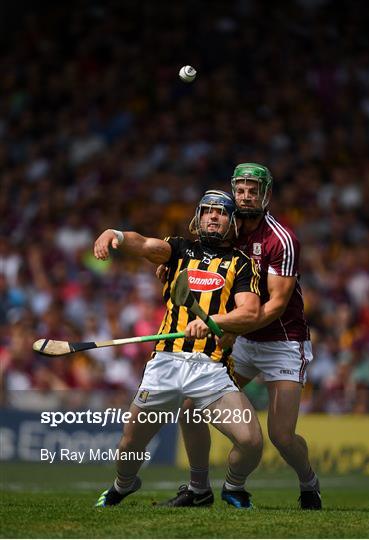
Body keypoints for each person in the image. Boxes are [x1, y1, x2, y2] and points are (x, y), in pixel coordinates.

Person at [161, 164, 321, 510]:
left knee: (281, 435)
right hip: (244, 342)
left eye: (253, 190)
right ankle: (198, 488)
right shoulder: (229, 230)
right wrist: (169, 267)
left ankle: (308, 481)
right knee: (190, 408)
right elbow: (195, 258)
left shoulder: (281, 239)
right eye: (241, 189)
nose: (246, 195)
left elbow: (276, 305)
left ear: (266, 195)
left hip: (283, 342)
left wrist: (226, 326)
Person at [93, 190, 263, 509]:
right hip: (166, 364)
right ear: (198, 218)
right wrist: (113, 233)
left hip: (210, 369)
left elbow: (251, 313)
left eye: (222, 212)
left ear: (232, 222)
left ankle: (233, 486)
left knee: (251, 442)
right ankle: (124, 484)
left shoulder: (242, 264)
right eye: (208, 210)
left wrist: (213, 320)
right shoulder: (179, 249)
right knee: (130, 445)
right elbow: (142, 243)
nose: (214, 216)